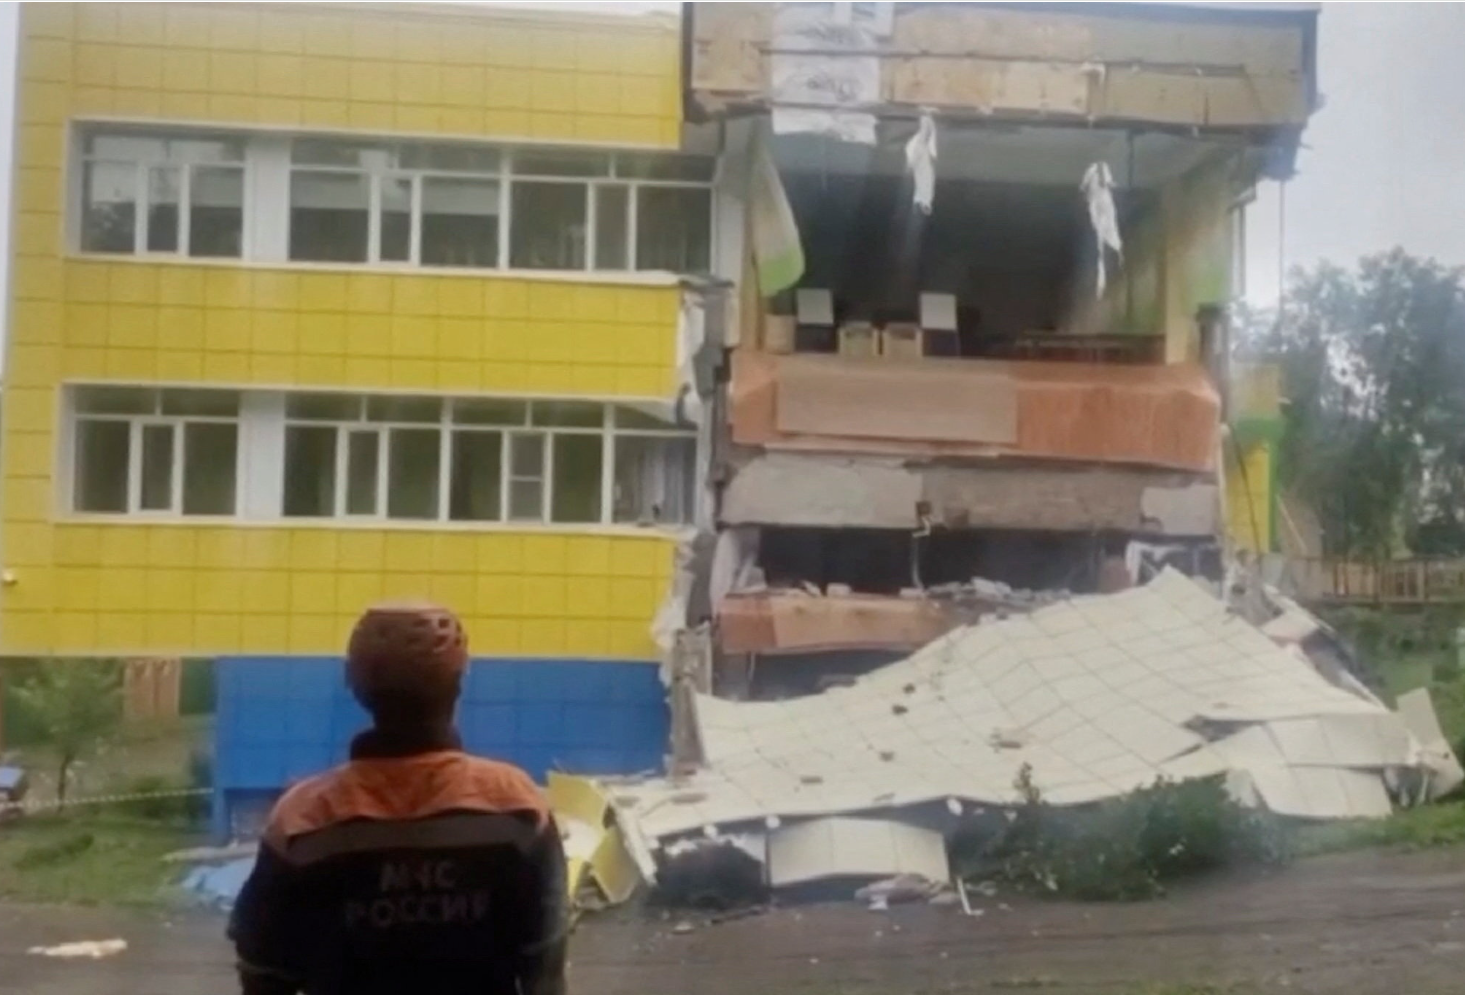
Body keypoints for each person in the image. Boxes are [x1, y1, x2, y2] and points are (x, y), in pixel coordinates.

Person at [228, 602, 568, 995]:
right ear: (458, 684)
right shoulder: (516, 806)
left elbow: (263, 970)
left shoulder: (304, 819)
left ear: (355, 686)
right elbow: (545, 971)